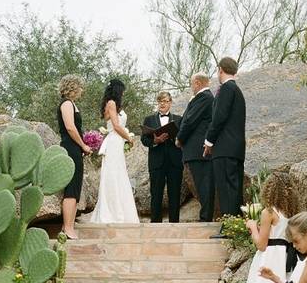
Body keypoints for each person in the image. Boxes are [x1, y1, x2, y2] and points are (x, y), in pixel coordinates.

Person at [204, 57, 246, 236]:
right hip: (235, 148)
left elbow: (219, 118)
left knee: (226, 189)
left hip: (224, 148)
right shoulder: (237, 90)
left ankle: (229, 229)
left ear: (220, 70)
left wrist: (208, 141)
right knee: (233, 188)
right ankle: (234, 227)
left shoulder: (227, 89)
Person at [90, 78, 139, 224]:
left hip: (117, 142)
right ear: (118, 90)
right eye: (122, 91)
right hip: (114, 141)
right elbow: (116, 126)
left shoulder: (114, 105)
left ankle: (121, 210)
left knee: (119, 174)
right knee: (113, 174)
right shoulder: (111, 103)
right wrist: (129, 138)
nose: (123, 93)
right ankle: (112, 212)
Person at [176, 73, 215, 222]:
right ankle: (205, 215)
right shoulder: (201, 98)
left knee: (204, 184)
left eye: (191, 83)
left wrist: (180, 138)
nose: (191, 87)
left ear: (197, 83)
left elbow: (190, 121)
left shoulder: (204, 97)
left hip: (199, 150)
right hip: (196, 151)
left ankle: (206, 217)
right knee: (202, 184)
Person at [58, 74, 92, 239]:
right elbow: (71, 128)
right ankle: (68, 227)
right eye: (79, 87)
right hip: (70, 148)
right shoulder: (66, 104)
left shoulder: (72, 104)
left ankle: (68, 225)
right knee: (71, 188)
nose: (81, 90)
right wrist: (83, 145)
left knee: (76, 188)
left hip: (75, 149)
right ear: (72, 87)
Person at [142, 91, 183, 222]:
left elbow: (183, 139)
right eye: (160, 101)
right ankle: (155, 224)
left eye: (165, 101)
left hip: (175, 162)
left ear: (170, 103)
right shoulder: (149, 119)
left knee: (175, 194)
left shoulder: (178, 119)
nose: (162, 104)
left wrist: (175, 138)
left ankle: (174, 224)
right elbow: (144, 140)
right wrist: (155, 141)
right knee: (156, 194)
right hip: (156, 162)